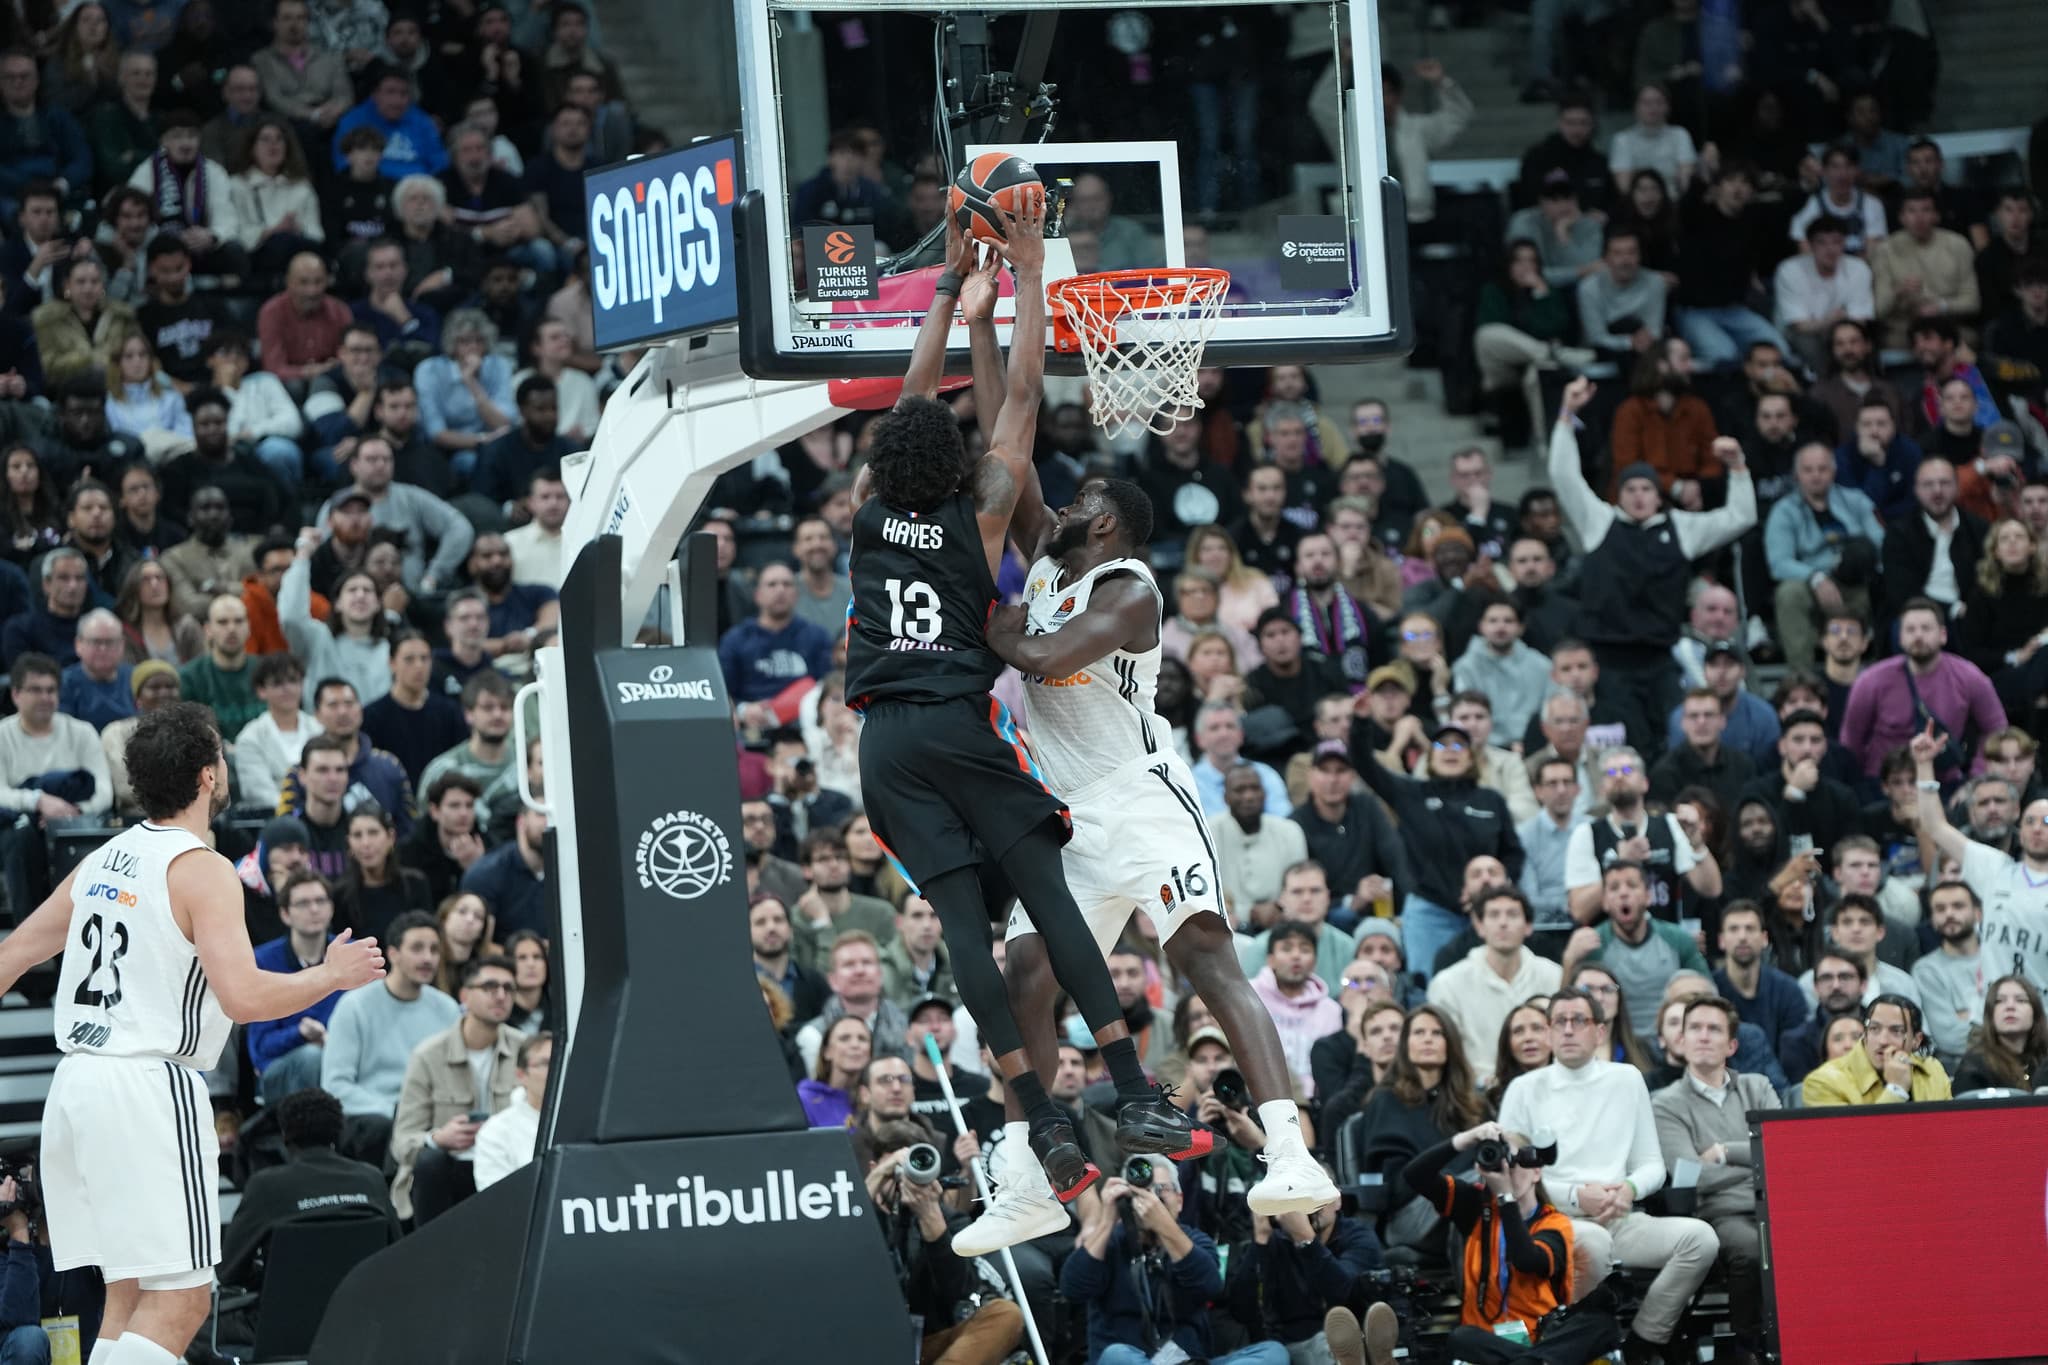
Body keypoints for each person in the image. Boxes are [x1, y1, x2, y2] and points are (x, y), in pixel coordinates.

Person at [843, 201, 1193, 1209]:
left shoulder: (867, 516)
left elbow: (909, 408)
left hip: (884, 749)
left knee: (962, 929)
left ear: (880, 465)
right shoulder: (982, 511)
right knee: (1044, 891)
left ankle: (1038, 1121)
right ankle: (1128, 1089)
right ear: (954, 466)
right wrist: (1020, 278)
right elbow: (1026, 393)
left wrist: (950, 292)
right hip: (955, 725)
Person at [0, 701, 385, 1365]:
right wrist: (329, 974)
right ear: (209, 775)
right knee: (184, 1298)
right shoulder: (204, 866)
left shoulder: (103, 858)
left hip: (77, 1086)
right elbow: (244, 996)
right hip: (146, 1084)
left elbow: (12, 952)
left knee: (126, 1297)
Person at [1499, 987, 1718, 1365]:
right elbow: (1509, 1177)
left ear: (1600, 1032)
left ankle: (1643, 1339)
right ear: (1549, 1032)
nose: (1568, 1030)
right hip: (1555, 1219)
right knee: (1594, 1245)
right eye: (1559, 1022)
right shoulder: (1524, 1089)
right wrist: (1575, 1195)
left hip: (1620, 1215)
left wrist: (1628, 1190)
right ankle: (1579, 1350)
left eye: (1579, 1020)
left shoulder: (1626, 1079)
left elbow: (1652, 1164)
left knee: (1701, 1240)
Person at [1548, 377, 1755, 760]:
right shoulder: (1599, 522)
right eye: (1631, 490)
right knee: (1628, 744)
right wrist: (1566, 415)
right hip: (1609, 660)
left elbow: (1741, 516)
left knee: (1676, 738)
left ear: (1658, 494)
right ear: (1619, 494)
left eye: (1647, 489)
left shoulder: (1681, 528)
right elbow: (1564, 477)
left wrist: (1738, 468)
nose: (1639, 496)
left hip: (1660, 658)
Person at [1649, 995, 1778, 1359]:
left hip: (1776, 1205)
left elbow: (1782, 1154)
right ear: (1682, 1040)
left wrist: (1724, 1152)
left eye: (1714, 1029)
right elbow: (1692, 1176)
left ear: (1731, 1044)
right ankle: (1748, 1347)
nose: (1704, 1036)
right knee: (1754, 1250)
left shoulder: (1758, 1087)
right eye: (1696, 1028)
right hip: (1719, 1213)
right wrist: (1755, 1162)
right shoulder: (1665, 1103)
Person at [217, 1088, 398, 1296]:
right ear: (339, 1130)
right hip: (362, 1314)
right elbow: (396, 1250)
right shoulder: (371, 1179)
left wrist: (268, 1275)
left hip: (284, 1320)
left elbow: (228, 1271)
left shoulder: (267, 1186)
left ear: (284, 1134)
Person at [1843, 601, 2006, 781]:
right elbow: (1851, 740)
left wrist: (1977, 778)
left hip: (1944, 782)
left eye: (1926, 628)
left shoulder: (1969, 677)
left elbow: (1996, 729)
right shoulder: (1871, 680)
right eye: (1910, 630)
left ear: (1943, 635)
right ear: (1900, 637)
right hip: (1885, 784)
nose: (1918, 636)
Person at [1427, 885, 1563, 1072]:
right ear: (1479, 926)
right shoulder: (1447, 984)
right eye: (1494, 915)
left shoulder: (1554, 976)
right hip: (1474, 1093)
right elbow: (1447, 1053)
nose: (1503, 923)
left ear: (1528, 926)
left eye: (1512, 914)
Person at [243, 869, 345, 1105]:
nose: (314, 909)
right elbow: (260, 1051)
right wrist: (300, 1033)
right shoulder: (263, 961)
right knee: (312, 1057)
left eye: (321, 901)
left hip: (341, 1062)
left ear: (331, 909)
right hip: (280, 1070)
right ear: (285, 914)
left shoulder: (349, 954)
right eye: (303, 903)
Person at [1800, 994, 1952, 1103]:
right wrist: (1896, 1090)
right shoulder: (1823, 1082)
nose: (1883, 1041)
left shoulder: (1933, 1071)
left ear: (1916, 1041)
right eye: (1874, 1029)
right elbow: (1853, 1146)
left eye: (1896, 1031)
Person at [474, 1030, 552, 1190]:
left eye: (563, 1060)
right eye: (545, 1064)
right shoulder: (496, 1131)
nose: (556, 1069)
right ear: (521, 1075)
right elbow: (495, 1197)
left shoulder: (588, 1121)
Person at [1950, 976, 2048, 1093]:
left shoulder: (2044, 1059)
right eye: (1999, 1001)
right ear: (1990, 1015)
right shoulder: (1974, 1066)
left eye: (2021, 1000)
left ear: (2035, 1013)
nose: (2010, 1006)